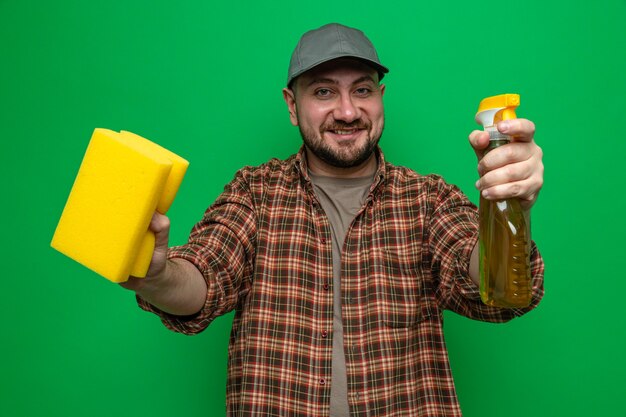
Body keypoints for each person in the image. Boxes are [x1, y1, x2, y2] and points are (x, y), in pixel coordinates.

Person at [122, 23, 545, 417]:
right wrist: (156, 276)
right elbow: (203, 280)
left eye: (362, 90)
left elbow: (493, 285)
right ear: (292, 105)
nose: (347, 112)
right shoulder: (255, 193)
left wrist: (511, 209)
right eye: (324, 92)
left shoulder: (426, 198)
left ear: (380, 97)